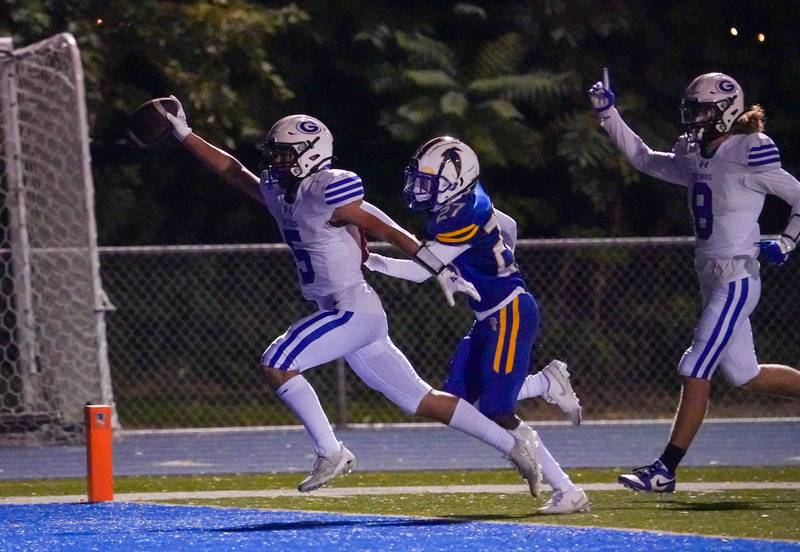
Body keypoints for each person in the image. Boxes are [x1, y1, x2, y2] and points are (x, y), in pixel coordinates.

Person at [156, 97, 544, 494]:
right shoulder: (279, 189)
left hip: (351, 309)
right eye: (276, 153)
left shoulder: (328, 189)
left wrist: (436, 265)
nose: (277, 162)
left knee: (277, 361)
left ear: (311, 154)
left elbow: (386, 228)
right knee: (423, 399)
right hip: (348, 311)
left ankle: (331, 451)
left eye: (286, 153)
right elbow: (234, 172)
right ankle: (513, 445)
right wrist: (185, 134)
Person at [588, 70, 800, 492]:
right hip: (710, 277)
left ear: (726, 110)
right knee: (746, 374)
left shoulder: (749, 149)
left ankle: (664, 469)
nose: (695, 118)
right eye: (693, 109)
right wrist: (609, 114)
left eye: (703, 110)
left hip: (737, 277)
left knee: (694, 366)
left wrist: (789, 241)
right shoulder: (695, 153)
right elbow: (644, 158)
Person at [364, 136, 589, 514]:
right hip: (491, 315)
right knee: (459, 399)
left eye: (428, 181)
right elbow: (509, 225)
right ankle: (544, 383)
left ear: (455, 180)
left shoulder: (460, 216)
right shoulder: (469, 200)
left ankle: (568, 490)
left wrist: (371, 262)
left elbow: (423, 271)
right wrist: (497, 261)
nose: (419, 188)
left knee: (499, 409)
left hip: (509, 314)